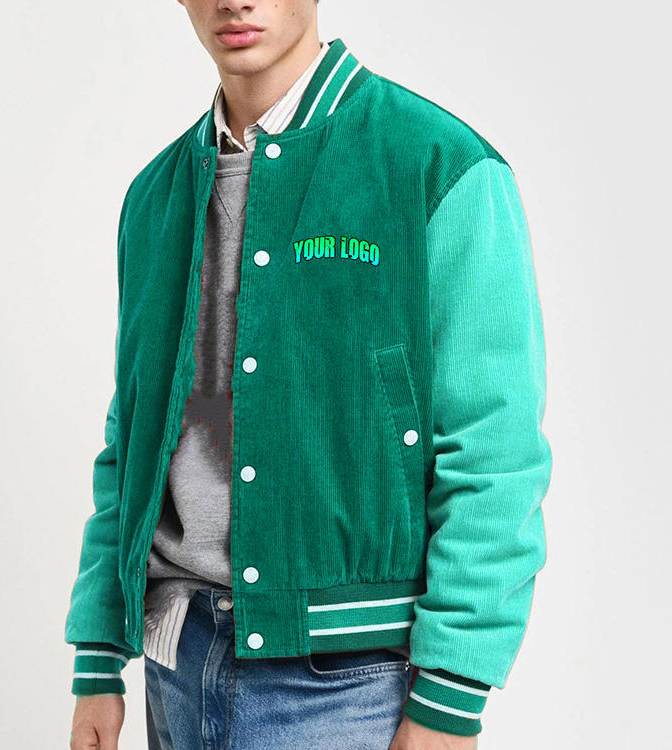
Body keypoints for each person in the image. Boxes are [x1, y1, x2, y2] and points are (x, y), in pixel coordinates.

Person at [66, 1, 552, 748]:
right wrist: (98, 660)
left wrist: (451, 695)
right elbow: (131, 439)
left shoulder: (436, 165)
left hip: (351, 683)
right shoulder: (154, 198)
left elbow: (494, 449)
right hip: (174, 663)